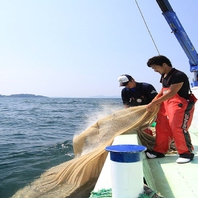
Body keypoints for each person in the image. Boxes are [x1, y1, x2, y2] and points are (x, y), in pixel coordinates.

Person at [145, 55, 196, 164]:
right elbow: (163, 91)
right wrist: (152, 102)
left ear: (164, 64)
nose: (155, 71)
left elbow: (172, 92)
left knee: (177, 127)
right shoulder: (164, 75)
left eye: (155, 68)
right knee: (161, 126)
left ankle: (186, 153)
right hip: (167, 104)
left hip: (180, 105)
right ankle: (159, 151)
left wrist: (154, 103)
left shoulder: (178, 75)